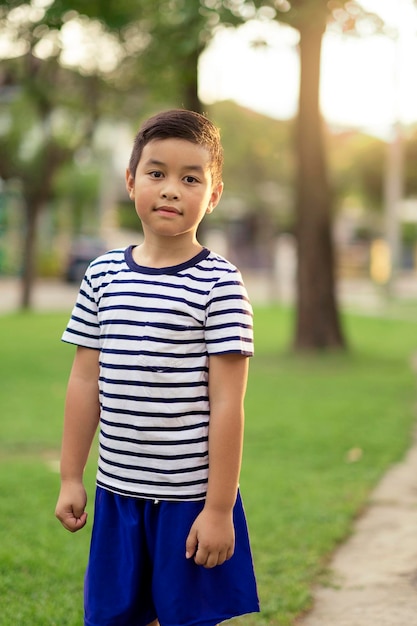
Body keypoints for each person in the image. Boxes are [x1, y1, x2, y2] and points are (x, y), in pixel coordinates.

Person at [55, 108, 259, 626]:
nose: (171, 189)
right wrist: (70, 477)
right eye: (157, 173)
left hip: (188, 498)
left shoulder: (220, 284)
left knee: (183, 617)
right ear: (130, 181)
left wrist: (218, 509)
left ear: (212, 196)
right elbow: (84, 382)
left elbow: (227, 404)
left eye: (190, 178)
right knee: (117, 615)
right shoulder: (102, 276)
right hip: (117, 490)